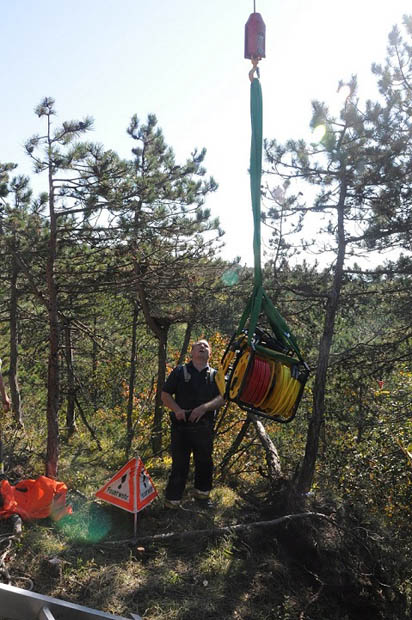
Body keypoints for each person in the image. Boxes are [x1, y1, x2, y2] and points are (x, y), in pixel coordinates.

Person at [161, 339, 225, 508]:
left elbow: (222, 398)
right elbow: (165, 395)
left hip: (204, 427)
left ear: (210, 353)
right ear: (192, 352)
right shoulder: (179, 371)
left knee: (205, 462)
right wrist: (177, 410)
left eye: (206, 346)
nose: (203, 347)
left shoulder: (216, 375)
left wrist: (203, 408)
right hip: (181, 427)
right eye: (199, 346)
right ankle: (172, 502)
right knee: (180, 464)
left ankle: (202, 498)